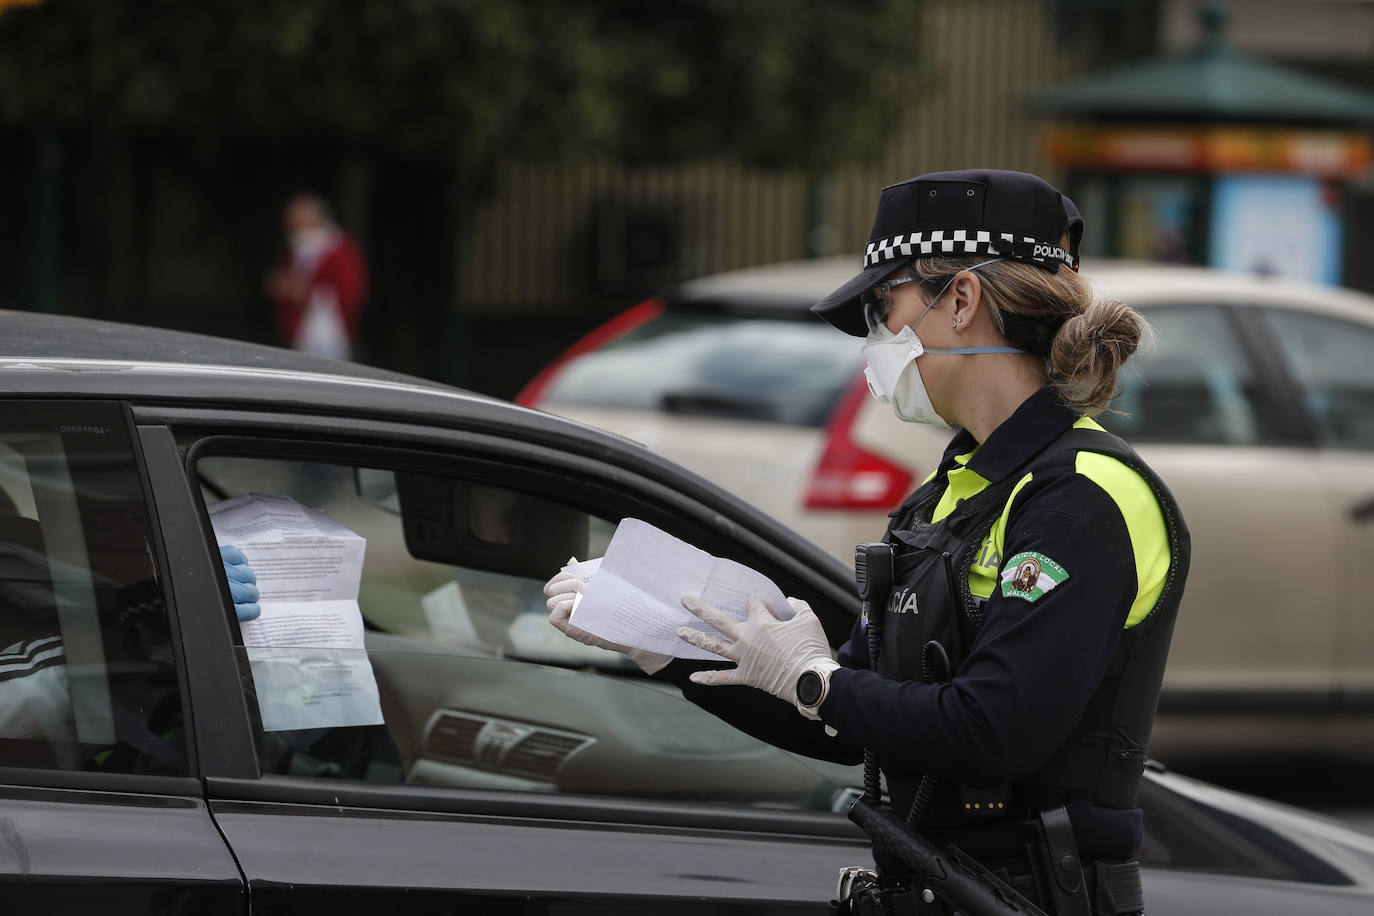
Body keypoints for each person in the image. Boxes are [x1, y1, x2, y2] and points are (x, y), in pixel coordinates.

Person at [545, 169, 1189, 916]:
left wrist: (817, 679)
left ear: (961, 301)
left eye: (884, 306)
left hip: (1035, 895)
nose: (875, 338)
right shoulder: (951, 490)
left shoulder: (1083, 493)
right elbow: (848, 726)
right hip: (935, 890)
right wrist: (663, 642)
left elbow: (994, 732)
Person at [265, 193, 368, 360]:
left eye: (299, 220)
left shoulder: (340, 251)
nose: (293, 226)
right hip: (295, 333)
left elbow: (349, 292)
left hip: (328, 334)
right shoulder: (293, 250)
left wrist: (304, 291)